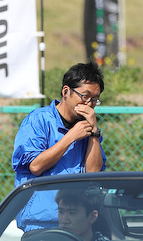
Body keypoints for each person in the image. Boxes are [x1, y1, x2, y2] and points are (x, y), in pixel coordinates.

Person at [12, 62, 107, 230]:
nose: (89, 104)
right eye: (85, 96)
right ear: (66, 91)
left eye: (94, 99)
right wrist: (70, 137)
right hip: (41, 224)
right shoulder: (38, 120)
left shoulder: (87, 128)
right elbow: (35, 166)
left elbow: (93, 174)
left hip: (79, 226)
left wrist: (94, 133)